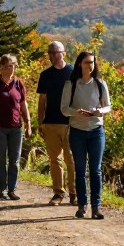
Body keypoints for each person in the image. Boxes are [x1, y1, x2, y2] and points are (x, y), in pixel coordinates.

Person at [61, 50, 111, 220]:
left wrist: (99, 111)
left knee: (96, 170)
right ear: (79, 64)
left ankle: (96, 207)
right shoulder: (71, 84)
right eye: (87, 62)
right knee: (80, 170)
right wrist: (77, 113)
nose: (90, 65)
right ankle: (82, 205)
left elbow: (108, 106)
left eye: (92, 62)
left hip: (96, 131)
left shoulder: (100, 83)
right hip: (77, 131)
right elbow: (64, 109)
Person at [0, 54, 32, 200]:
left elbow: (23, 104)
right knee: (1, 159)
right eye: (9, 65)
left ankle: (12, 189)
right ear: (2, 67)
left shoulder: (18, 84)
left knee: (15, 160)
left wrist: (28, 123)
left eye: (14, 65)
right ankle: (2, 190)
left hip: (16, 128)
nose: (12, 68)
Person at [36, 41, 76, 205]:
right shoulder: (45, 75)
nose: (52, 56)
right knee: (54, 160)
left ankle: (75, 193)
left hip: (70, 123)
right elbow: (42, 101)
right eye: (50, 53)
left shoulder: (74, 72)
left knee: (71, 159)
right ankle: (58, 193)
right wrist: (40, 122)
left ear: (64, 53)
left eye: (55, 52)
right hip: (51, 122)